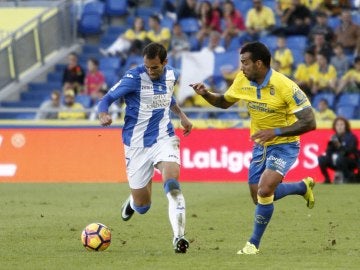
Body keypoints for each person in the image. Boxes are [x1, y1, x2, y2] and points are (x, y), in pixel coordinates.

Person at [190, 41, 316, 255]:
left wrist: (275, 132)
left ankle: (253, 245)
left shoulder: (285, 86)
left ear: (259, 64)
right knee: (259, 196)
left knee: (265, 190)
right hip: (260, 144)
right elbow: (224, 102)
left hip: (284, 144)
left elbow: (310, 122)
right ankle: (302, 187)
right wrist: (206, 94)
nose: (241, 67)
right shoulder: (242, 79)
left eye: (245, 63)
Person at [97, 42, 193, 253]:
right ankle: (132, 202)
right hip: (136, 144)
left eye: (155, 67)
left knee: (172, 184)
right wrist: (103, 113)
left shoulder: (171, 75)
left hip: (163, 137)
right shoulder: (133, 78)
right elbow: (107, 99)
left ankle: (179, 237)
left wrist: (182, 116)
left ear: (165, 63)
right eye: (147, 67)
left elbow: (168, 97)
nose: (150, 71)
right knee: (143, 206)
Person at [318, 116, 359, 184]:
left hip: (350, 161)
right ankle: (327, 179)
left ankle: (348, 178)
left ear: (346, 126)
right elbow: (328, 153)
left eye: (341, 124)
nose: (339, 127)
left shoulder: (351, 137)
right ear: (335, 126)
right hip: (337, 161)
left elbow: (350, 151)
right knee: (321, 159)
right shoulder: (334, 137)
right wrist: (330, 144)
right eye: (337, 125)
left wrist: (339, 145)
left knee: (341, 158)